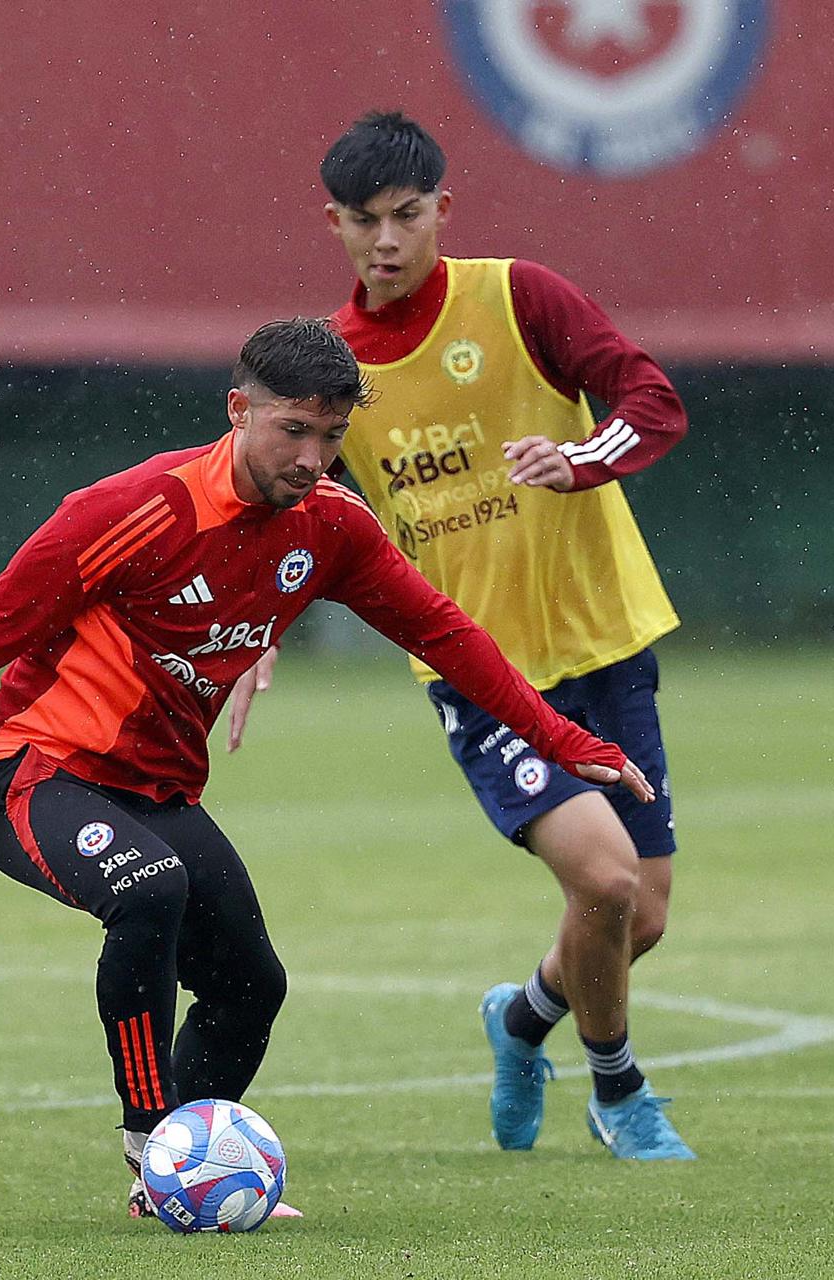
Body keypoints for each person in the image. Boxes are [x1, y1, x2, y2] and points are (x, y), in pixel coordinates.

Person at [0, 318, 654, 1220]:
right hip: (34, 771)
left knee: (251, 986)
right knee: (150, 889)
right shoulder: (129, 510)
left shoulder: (332, 527)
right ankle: (156, 1146)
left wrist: (563, 740)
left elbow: (441, 632)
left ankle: (176, 1184)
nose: (313, 457)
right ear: (239, 410)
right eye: (292, 431)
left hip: (157, 788)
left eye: (333, 436)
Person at [226, 110, 692, 1160]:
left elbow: (651, 398)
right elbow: (299, 509)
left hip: (606, 640)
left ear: (444, 207)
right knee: (606, 884)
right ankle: (619, 1092)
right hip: (481, 674)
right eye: (362, 221)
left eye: (405, 215)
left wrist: (582, 458)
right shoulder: (332, 364)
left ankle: (521, 1018)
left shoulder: (518, 296)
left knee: (640, 915)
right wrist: (257, 624)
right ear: (332, 224)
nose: (385, 240)